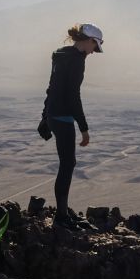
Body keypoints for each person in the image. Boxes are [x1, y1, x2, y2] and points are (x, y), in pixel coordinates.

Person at [39, 23, 103, 231]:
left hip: (54, 115)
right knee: (68, 164)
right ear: (88, 40)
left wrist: (44, 117)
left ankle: (63, 213)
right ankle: (61, 216)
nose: (94, 52)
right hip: (64, 117)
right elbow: (73, 96)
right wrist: (84, 128)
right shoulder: (76, 61)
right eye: (95, 46)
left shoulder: (60, 55)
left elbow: (51, 88)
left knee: (67, 164)